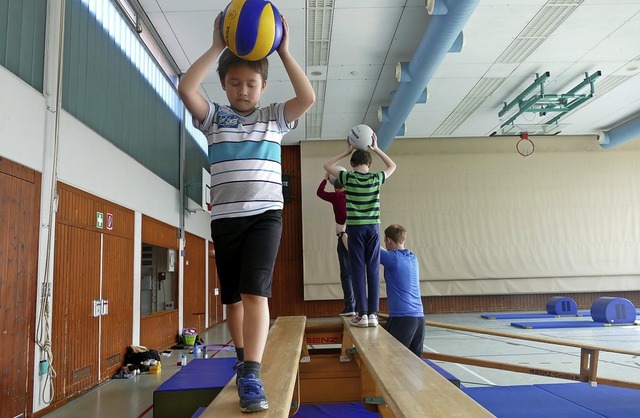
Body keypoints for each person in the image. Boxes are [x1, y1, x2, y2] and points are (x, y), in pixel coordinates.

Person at [178, 12, 315, 413]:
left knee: (256, 292)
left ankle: (251, 372)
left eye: (251, 84)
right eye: (235, 83)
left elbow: (307, 97)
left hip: (265, 216)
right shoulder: (215, 118)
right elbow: (187, 87)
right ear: (223, 85)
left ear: (264, 86)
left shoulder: (274, 117)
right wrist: (217, 47)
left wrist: (286, 52)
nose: (243, 90)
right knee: (233, 300)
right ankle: (242, 358)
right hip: (225, 218)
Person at [323, 133, 396, 328]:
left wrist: (346, 151)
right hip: (373, 228)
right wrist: (376, 148)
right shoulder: (376, 178)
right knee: (372, 268)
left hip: (355, 228)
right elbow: (392, 166)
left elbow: (327, 166)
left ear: (352, 164)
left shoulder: (348, 178)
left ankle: (361, 314)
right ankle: (373, 314)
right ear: (369, 165)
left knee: (357, 269)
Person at [380, 224, 425, 357]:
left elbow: (368, 249)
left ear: (388, 240)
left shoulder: (392, 259)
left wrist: (342, 234)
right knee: (415, 363)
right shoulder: (412, 257)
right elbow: (383, 252)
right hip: (419, 319)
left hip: (402, 319)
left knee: (395, 361)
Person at [316, 173, 355, 316]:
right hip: (358, 234)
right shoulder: (353, 195)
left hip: (344, 235)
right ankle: (363, 307)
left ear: (336, 188)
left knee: (346, 274)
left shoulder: (336, 196)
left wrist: (325, 177)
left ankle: (351, 306)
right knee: (358, 271)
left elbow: (319, 192)